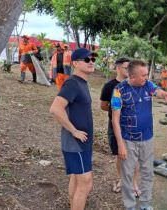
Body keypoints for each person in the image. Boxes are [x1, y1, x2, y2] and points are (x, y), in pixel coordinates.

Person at [111, 59, 167, 210]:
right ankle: (130, 206)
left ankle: (145, 204)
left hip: (147, 138)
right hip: (128, 140)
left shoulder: (147, 84)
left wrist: (164, 93)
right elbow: (115, 119)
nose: (147, 78)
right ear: (132, 76)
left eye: (147, 74)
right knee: (127, 175)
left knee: (147, 173)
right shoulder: (118, 90)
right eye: (143, 75)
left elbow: (156, 91)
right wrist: (120, 144)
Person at [49, 48, 97, 210]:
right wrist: (74, 130)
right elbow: (56, 108)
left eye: (93, 59)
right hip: (75, 143)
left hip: (83, 142)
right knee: (86, 183)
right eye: (87, 60)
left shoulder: (82, 83)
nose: (91, 62)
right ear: (75, 63)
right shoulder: (72, 83)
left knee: (77, 179)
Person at [100, 57, 140, 195]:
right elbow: (104, 106)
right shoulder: (109, 86)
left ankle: (134, 183)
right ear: (117, 68)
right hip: (115, 126)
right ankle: (122, 180)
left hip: (133, 126)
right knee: (119, 155)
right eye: (125, 68)